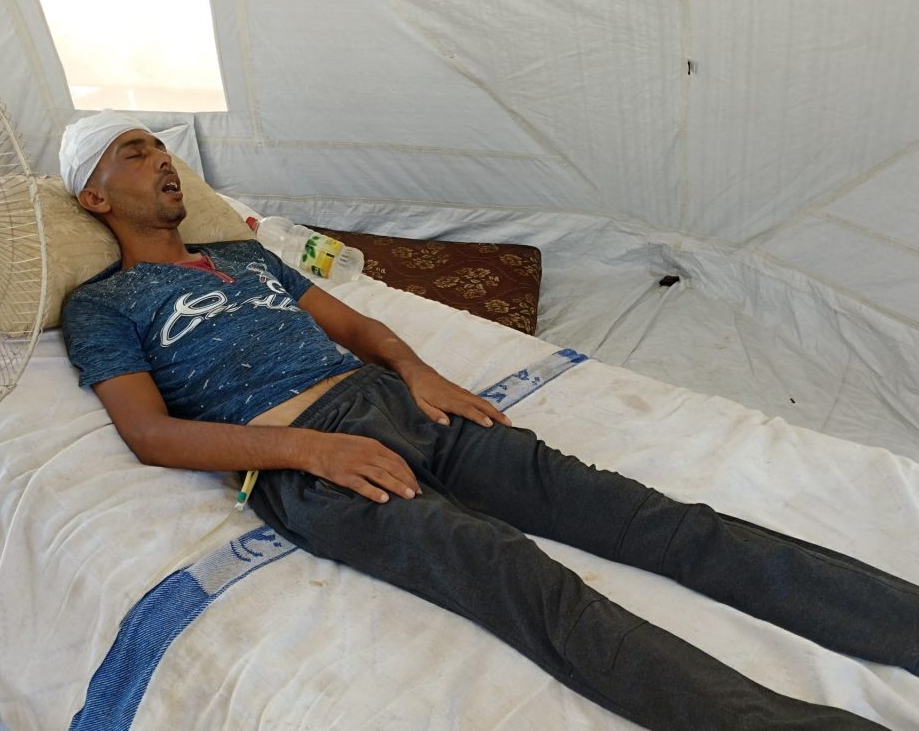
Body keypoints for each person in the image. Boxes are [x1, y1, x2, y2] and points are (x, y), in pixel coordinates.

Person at [59, 111, 918, 731]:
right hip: (306, 460)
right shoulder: (103, 305)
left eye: (162, 146)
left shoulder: (247, 256)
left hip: (395, 403)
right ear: (95, 197)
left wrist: (417, 369)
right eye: (137, 153)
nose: (163, 159)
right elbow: (150, 435)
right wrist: (310, 449)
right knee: (522, 580)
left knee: (654, 518)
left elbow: (355, 326)